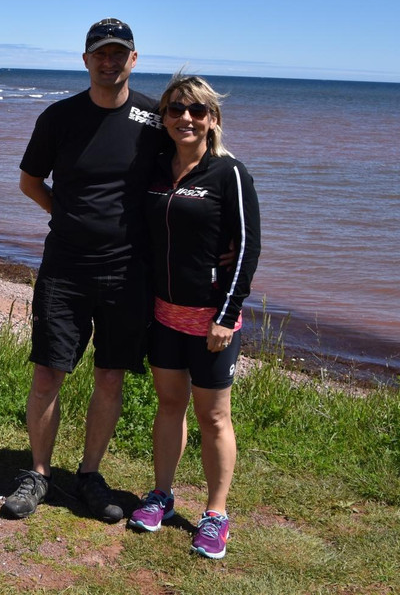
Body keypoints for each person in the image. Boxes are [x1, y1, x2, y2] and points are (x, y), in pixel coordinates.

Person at [2, 18, 163, 522]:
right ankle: (40, 475)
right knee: (49, 372)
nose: (109, 61)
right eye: (100, 53)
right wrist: (65, 216)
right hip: (66, 268)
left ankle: (89, 476)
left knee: (110, 376)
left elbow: (187, 172)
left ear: (133, 59)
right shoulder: (60, 117)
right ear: (86, 60)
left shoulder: (156, 118)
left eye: (119, 53)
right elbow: (30, 181)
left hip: (128, 271)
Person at [126, 73, 260, 560]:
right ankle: (161, 495)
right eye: (176, 109)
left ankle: (216, 515)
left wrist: (227, 314)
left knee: (215, 417)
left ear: (212, 119)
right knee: (168, 405)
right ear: (163, 118)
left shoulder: (230, 173)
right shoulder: (156, 171)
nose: (186, 117)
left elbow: (246, 248)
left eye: (196, 110)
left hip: (212, 322)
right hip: (163, 314)